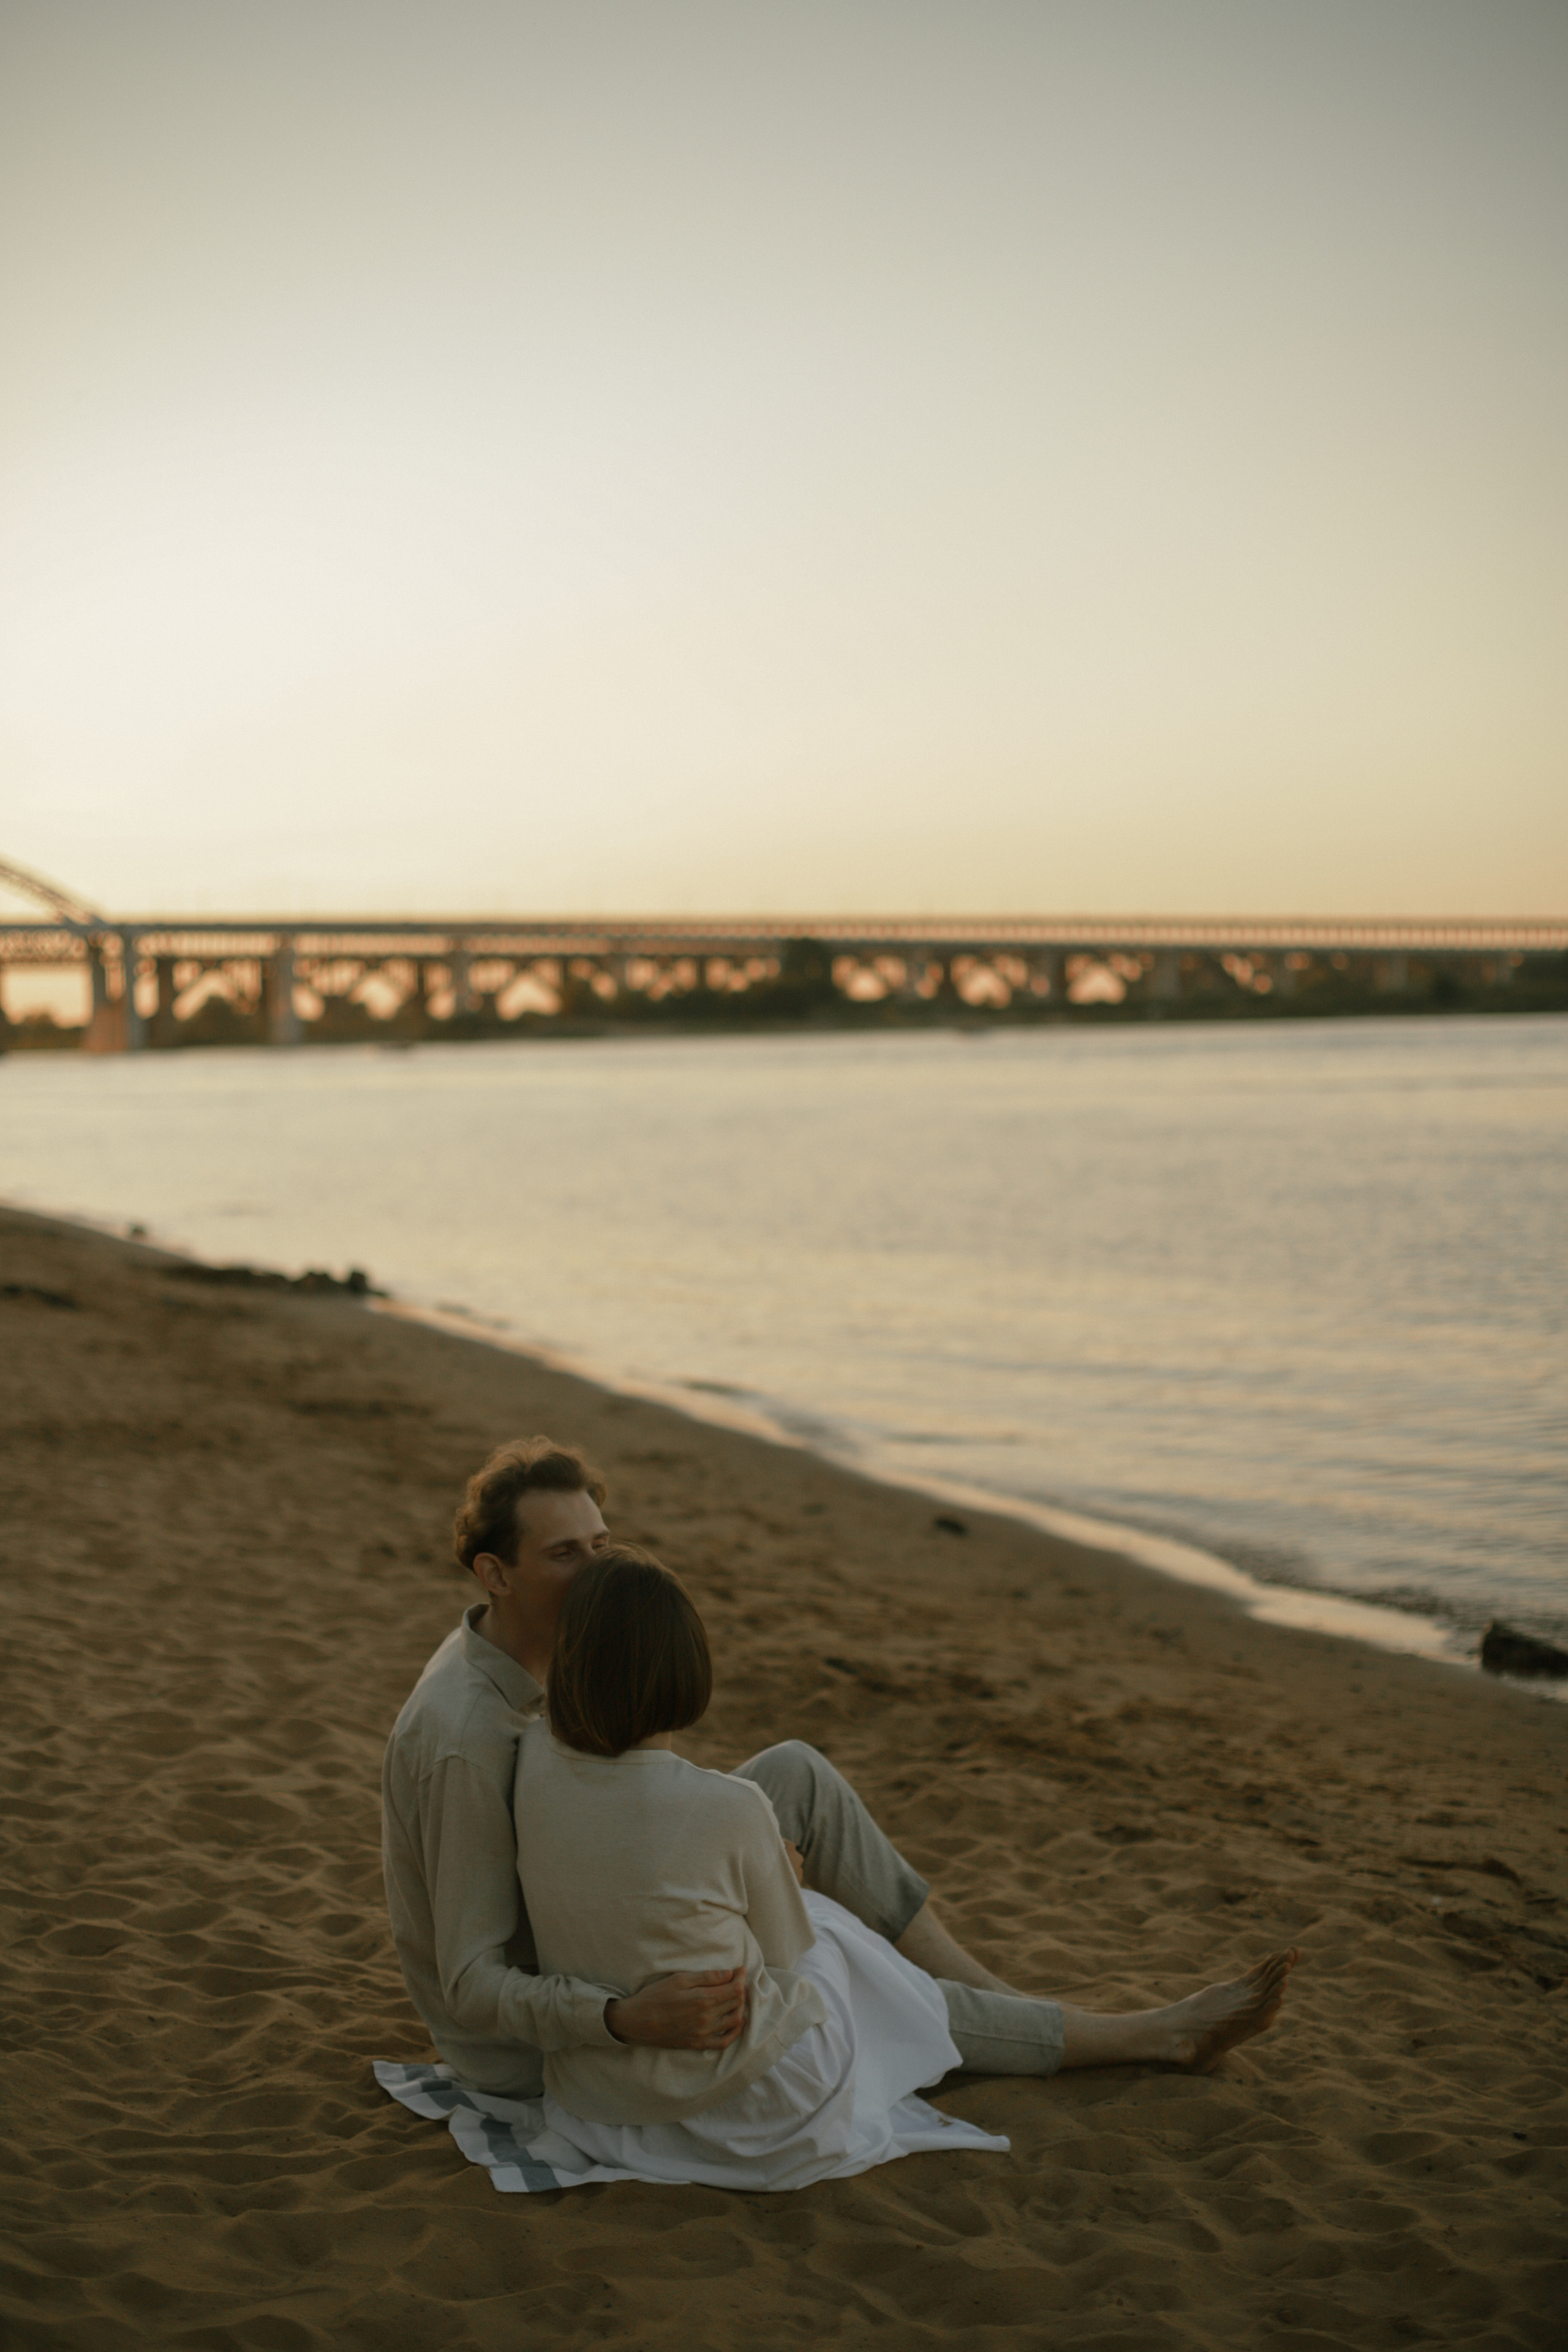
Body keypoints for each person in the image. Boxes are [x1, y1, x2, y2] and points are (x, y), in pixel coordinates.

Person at [381, 1436, 1295, 2101]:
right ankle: (1140, 2038)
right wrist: (626, 2019)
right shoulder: (469, 1739)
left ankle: (1002, 2006)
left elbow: (614, 1811)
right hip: (547, 2036)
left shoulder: (532, 1660)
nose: (596, 1573)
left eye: (602, 1547)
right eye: (564, 1555)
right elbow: (470, 1985)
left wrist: (711, 1867)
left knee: (795, 1775)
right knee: (843, 1965)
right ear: (495, 1574)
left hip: (582, 1924)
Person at [512, 1544, 1009, 2188]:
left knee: (809, 1841)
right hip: (749, 2114)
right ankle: (1029, 2023)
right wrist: (783, 1879)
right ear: (686, 1669)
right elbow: (780, 1955)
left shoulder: (530, 1756)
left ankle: (997, 2007)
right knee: (840, 1938)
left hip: (600, 2102)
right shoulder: (730, 1806)